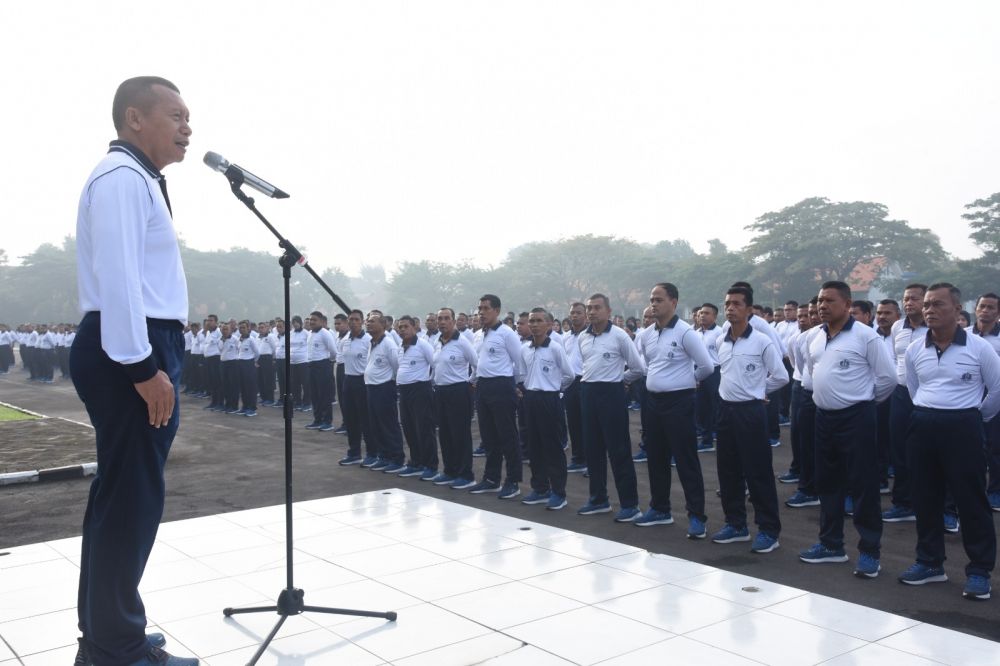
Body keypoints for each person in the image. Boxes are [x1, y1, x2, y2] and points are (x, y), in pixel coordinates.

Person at [70, 76, 197, 665]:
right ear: (134, 118)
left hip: (133, 344)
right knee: (132, 502)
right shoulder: (123, 178)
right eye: (175, 115)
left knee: (118, 498)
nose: (187, 127)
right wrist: (144, 367)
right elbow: (121, 281)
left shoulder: (137, 179)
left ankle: (107, 634)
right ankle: (117, 648)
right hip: (131, 350)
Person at [899, 283, 999, 600]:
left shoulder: (979, 348)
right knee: (925, 498)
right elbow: (915, 389)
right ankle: (930, 563)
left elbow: (996, 391)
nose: (929, 309)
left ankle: (980, 570)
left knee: (971, 501)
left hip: (964, 427)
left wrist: (971, 418)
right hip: (923, 425)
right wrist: (932, 413)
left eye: (937, 304)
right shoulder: (916, 349)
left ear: (957, 310)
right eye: (926, 304)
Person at [800, 281, 895, 578]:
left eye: (829, 300)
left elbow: (888, 379)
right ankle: (831, 545)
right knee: (828, 483)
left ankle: (869, 552)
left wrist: (863, 403)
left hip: (857, 418)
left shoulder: (866, 337)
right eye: (819, 301)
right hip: (823, 418)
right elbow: (813, 371)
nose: (822, 306)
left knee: (863, 485)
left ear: (847, 303)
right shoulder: (814, 337)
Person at [636, 284, 715, 537]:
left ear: (673, 302)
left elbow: (706, 367)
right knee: (656, 458)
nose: (653, 304)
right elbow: (650, 364)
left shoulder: (685, 333)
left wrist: (686, 380)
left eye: (659, 299)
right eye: (651, 300)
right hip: (653, 403)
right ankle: (660, 509)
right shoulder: (647, 334)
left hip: (680, 402)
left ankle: (697, 517)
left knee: (685, 460)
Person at [712, 286, 787, 552]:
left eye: (736, 304)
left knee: (758, 472)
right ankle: (736, 525)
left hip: (751, 412)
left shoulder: (762, 341)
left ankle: (768, 530)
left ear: (749, 309)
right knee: (728, 470)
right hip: (726, 411)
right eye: (727, 303)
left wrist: (759, 391)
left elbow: (781, 376)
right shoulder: (721, 340)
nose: (730, 308)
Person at [577, 293, 645, 521]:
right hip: (588, 393)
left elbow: (638, 367)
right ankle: (598, 499)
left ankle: (630, 504)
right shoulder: (583, 337)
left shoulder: (619, 336)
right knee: (592, 449)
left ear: (608, 311)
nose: (592, 312)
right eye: (589, 308)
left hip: (611, 393)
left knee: (618, 450)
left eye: (597, 307)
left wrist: (621, 381)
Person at [468, 294, 525, 498]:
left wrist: (518, 385)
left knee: (507, 435)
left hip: (502, 386)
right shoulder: (478, 335)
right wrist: (473, 381)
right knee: (489, 436)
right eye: (479, 308)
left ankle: (513, 481)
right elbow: (478, 362)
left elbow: (519, 361)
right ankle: (491, 479)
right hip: (482, 386)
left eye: (485, 308)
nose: (481, 312)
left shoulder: (506, 333)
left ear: (497, 311)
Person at [519, 307, 575, 510]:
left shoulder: (555, 348)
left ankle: (559, 492)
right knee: (534, 446)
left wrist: (556, 391)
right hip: (530, 399)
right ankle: (540, 488)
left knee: (553, 447)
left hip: (550, 399)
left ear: (549, 325)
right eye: (531, 321)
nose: (534, 324)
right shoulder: (525, 348)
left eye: (539, 321)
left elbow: (569, 375)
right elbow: (522, 374)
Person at [884, 284, 928, 523]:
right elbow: (894, 357)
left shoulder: (935, 327)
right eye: (905, 299)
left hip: (928, 397)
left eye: (914, 299)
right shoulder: (897, 327)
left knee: (932, 453)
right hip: (901, 395)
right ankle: (903, 503)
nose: (908, 303)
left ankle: (945, 508)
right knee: (899, 450)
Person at [432, 307, 479, 487]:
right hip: (441, 391)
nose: (442, 322)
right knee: (444, 433)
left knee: (460, 434)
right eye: (440, 318)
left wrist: (470, 382)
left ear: (453, 321)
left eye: (446, 318)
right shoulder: (437, 341)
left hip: (458, 391)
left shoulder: (463, 342)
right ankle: (450, 470)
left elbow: (476, 364)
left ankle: (466, 474)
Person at [395, 315, 439, 479]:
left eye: (406, 326)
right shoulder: (400, 346)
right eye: (400, 327)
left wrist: (431, 383)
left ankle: (431, 465)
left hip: (420, 389)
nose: (403, 330)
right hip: (404, 391)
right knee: (409, 427)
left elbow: (435, 364)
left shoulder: (422, 345)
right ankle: (416, 462)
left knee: (424, 428)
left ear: (414, 327)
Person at [970, 292, 1000, 511]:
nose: (986, 311)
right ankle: (973, 491)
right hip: (970, 395)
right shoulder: (963, 335)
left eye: (991, 307)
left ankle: (995, 491)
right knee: (971, 447)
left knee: (995, 447)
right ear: (975, 309)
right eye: (982, 306)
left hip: (996, 394)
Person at [364, 311, 405, 471]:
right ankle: (384, 455)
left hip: (384, 387)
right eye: (367, 321)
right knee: (376, 424)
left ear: (383, 325)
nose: (368, 323)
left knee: (388, 424)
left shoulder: (388, 344)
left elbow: (396, 366)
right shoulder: (372, 342)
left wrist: (391, 383)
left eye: (372, 321)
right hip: (371, 387)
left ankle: (396, 458)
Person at [562, 302, 588, 474]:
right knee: (573, 423)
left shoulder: (591, 335)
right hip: (570, 383)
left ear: (585, 315)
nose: (575, 316)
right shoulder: (565, 337)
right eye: (572, 313)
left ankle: (591, 460)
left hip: (586, 381)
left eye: (579, 312)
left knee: (589, 424)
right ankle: (578, 458)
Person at [304, 311, 337, 431]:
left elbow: (333, 351)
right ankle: (317, 420)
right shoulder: (310, 333)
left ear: (321, 321)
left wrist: (328, 363)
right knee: (315, 395)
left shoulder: (325, 333)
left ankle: (327, 422)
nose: (312, 322)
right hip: (311, 365)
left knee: (324, 395)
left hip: (323, 365)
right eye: (310, 320)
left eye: (314, 320)